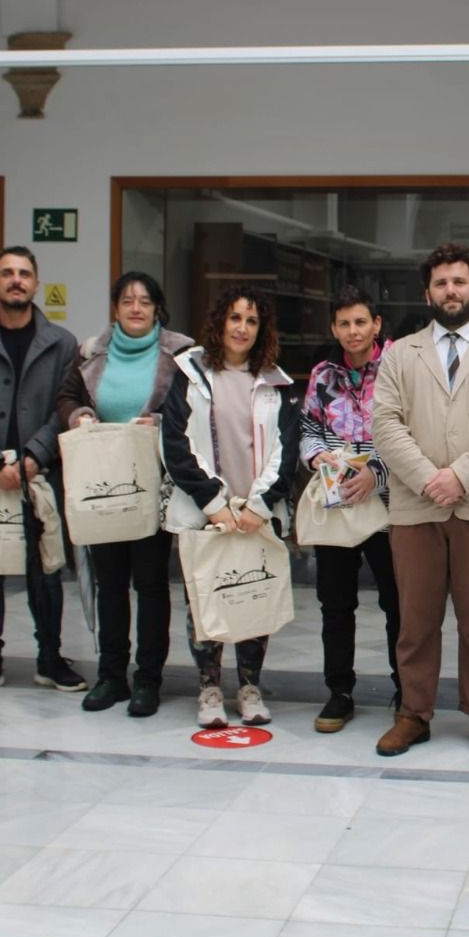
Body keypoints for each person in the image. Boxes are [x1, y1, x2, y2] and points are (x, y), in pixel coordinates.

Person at [371, 242, 469, 760]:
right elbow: (385, 425)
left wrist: (459, 477)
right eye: (441, 283)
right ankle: (413, 714)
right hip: (417, 510)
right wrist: (427, 480)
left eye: (459, 282)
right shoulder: (400, 353)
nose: (451, 290)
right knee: (415, 621)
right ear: (428, 293)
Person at [0, 247, 83, 699]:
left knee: (47, 569)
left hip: (40, 472)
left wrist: (34, 456)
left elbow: (64, 405)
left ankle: (50, 658)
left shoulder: (62, 342)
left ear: (37, 283)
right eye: (7, 273)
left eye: (25, 273)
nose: (16, 280)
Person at [160, 284, 299, 729]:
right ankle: (209, 689)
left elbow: (287, 450)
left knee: (253, 598)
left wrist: (259, 504)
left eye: (252, 320)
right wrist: (214, 503)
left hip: (256, 516)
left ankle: (250, 687)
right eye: (235, 317)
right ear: (220, 322)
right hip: (207, 515)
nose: (242, 327)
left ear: (262, 330)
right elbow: (176, 444)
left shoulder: (277, 383)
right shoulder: (189, 371)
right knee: (205, 601)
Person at [56, 271, 193, 718]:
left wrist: (160, 422)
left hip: (151, 483)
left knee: (151, 585)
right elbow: (65, 397)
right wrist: (78, 415)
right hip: (102, 483)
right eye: (128, 301)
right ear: (115, 308)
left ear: (157, 309)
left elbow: (191, 407)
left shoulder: (180, 354)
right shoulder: (90, 353)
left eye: (145, 301)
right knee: (109, 584)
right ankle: (111, 675)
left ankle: (148, 679)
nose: (136, 308)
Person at [300, 288, 401, 733]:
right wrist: (317, 457)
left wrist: (375, 473)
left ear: (376, 324)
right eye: (344, 324)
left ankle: (407, 690)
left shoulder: (401, 366)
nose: (353, 331)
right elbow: (308, 426)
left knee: (398, 602)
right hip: (338, 502)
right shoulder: (323, 374)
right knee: (335, 603)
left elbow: (413, 431)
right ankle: (339, 692)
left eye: (361, 322)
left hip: (390, 504)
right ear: (334, 328)